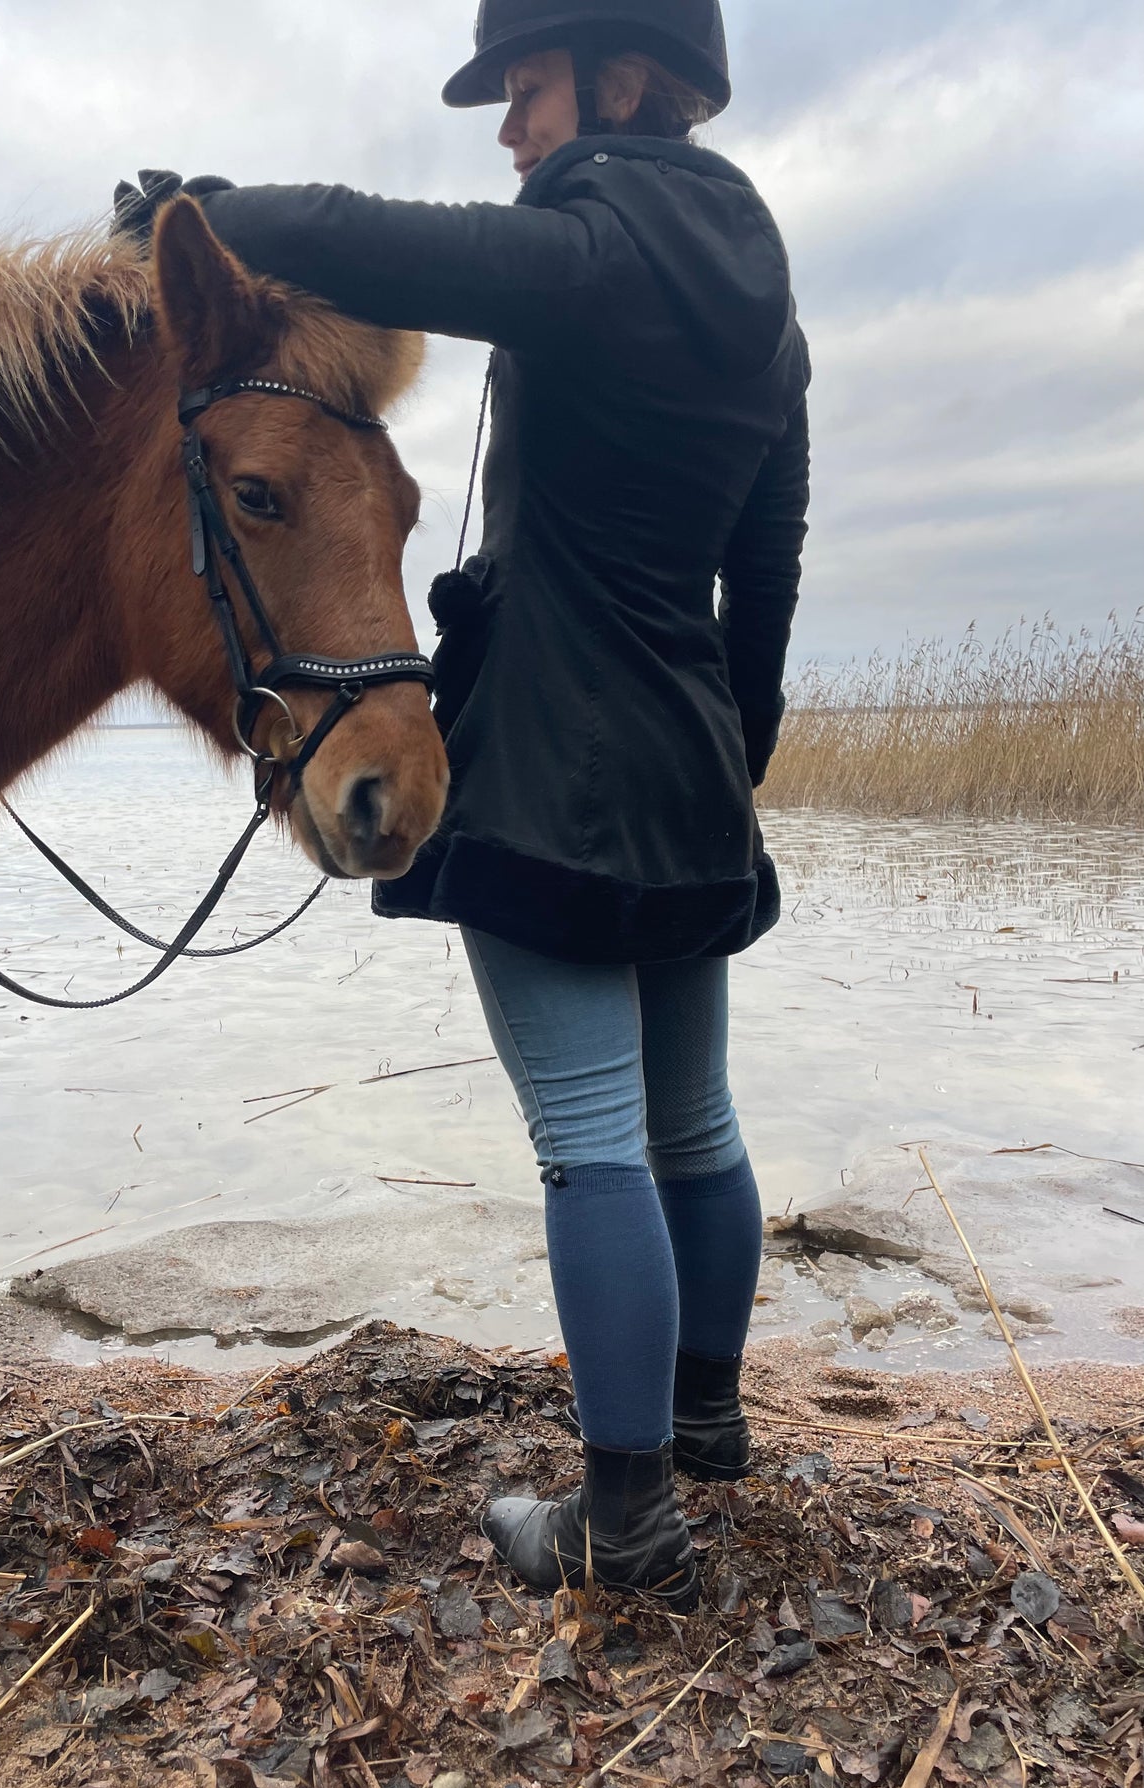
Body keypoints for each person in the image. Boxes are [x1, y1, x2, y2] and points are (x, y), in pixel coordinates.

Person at [116, 0, 810, 1607]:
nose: (507, 134)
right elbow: (765, 559)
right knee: (690, 1122)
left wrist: (189, 214)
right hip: (688, 751)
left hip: (553, 757)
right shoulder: (765, 313)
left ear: (619, 82)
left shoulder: (597, 240)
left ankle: (621, 1519)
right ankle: (703, 1421)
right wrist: (733, 746)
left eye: (524, 93)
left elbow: (381, 244)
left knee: (590, 1149)